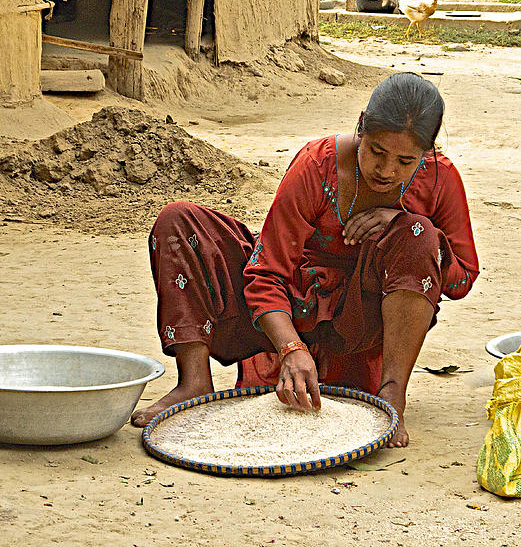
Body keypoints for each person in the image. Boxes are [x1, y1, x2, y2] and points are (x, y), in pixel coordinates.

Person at [131, 72, 479, 447]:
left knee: (420, 235)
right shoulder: (317, 164)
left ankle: (392, 394)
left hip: (360, 320)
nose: (387, 170)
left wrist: (406, 222)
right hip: (288, 308)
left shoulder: (441, 180)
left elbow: (462, 280)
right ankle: (193, 381)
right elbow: (266, 272)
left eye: (405, 161)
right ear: (361, 125)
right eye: (377, 151)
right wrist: (291, 348)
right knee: (178, 221)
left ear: (427, 153)